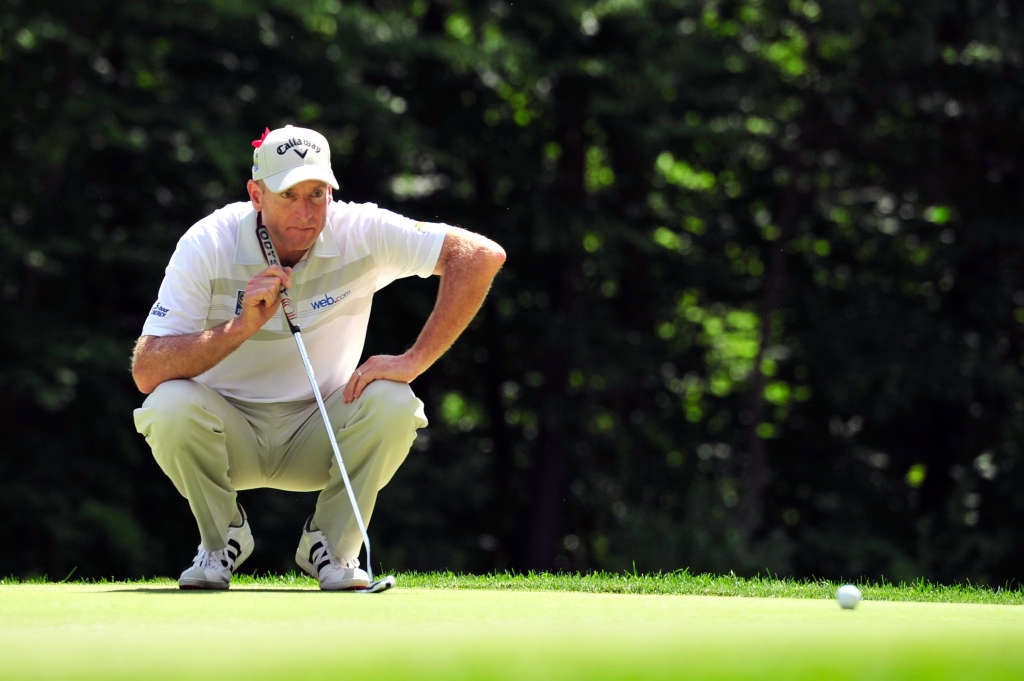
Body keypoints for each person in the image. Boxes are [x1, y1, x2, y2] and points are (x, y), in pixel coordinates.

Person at [131, 125, 505, 590]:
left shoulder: (360, 230)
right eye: (288, 195)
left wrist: (414, 360)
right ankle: (221, 539)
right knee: (167, 404)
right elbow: (147, 369)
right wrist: (241, 327)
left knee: (394, 398)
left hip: (321, 430)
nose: (306, 213)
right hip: (227, 436)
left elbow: (480, 256)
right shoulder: (207, 243)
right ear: (256, 194)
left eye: (317, 193)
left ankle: (332, 547)